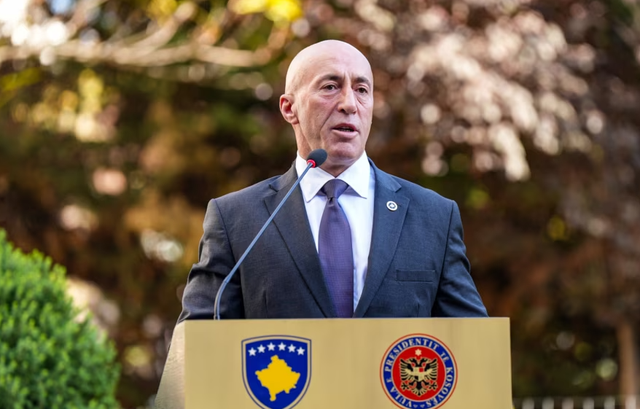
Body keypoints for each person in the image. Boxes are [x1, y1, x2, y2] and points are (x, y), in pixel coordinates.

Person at [177, 40, 487, 321]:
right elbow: (197, 341)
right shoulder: (236, 219)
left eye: (362, 90)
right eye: (330, 87)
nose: (349, 104)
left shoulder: (434, 216)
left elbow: (474, 342)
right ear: (289, 108)